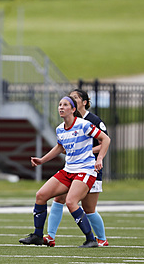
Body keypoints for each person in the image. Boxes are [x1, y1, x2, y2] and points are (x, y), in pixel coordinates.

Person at [19, 95, 110, 248]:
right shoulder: (60, 128)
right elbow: (60, 148)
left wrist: (99, 158)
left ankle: (91, 239)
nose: (61, 107)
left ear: (73, 109)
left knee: (71, 202)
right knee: (40, 195)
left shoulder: (83, 125)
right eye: (60, 104)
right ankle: (38, 235)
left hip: (85, 170)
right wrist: (42, 160)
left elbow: (106, 139)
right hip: (68, 170)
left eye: (65, 105)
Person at [44, 89, 109, 247]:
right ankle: (50, 236)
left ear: (83, 103)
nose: (69, 101)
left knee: (88, 208)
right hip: (72, 169)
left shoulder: (92, 120)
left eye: (74, 98)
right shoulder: (66, 123)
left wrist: (89, 153)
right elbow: (62, 146)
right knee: (59, 198)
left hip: (89, 168)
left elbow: (104, 142)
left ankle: (101, 239)